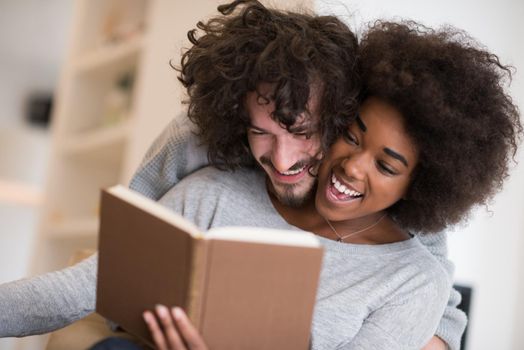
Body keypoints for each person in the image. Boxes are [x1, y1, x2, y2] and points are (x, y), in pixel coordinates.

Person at [0, 2, 479, 349]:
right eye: (260, 131)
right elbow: (107, 263)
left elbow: (430, 289)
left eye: (304, 132)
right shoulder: (206, 175)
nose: (284, 159)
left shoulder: (416, 269)